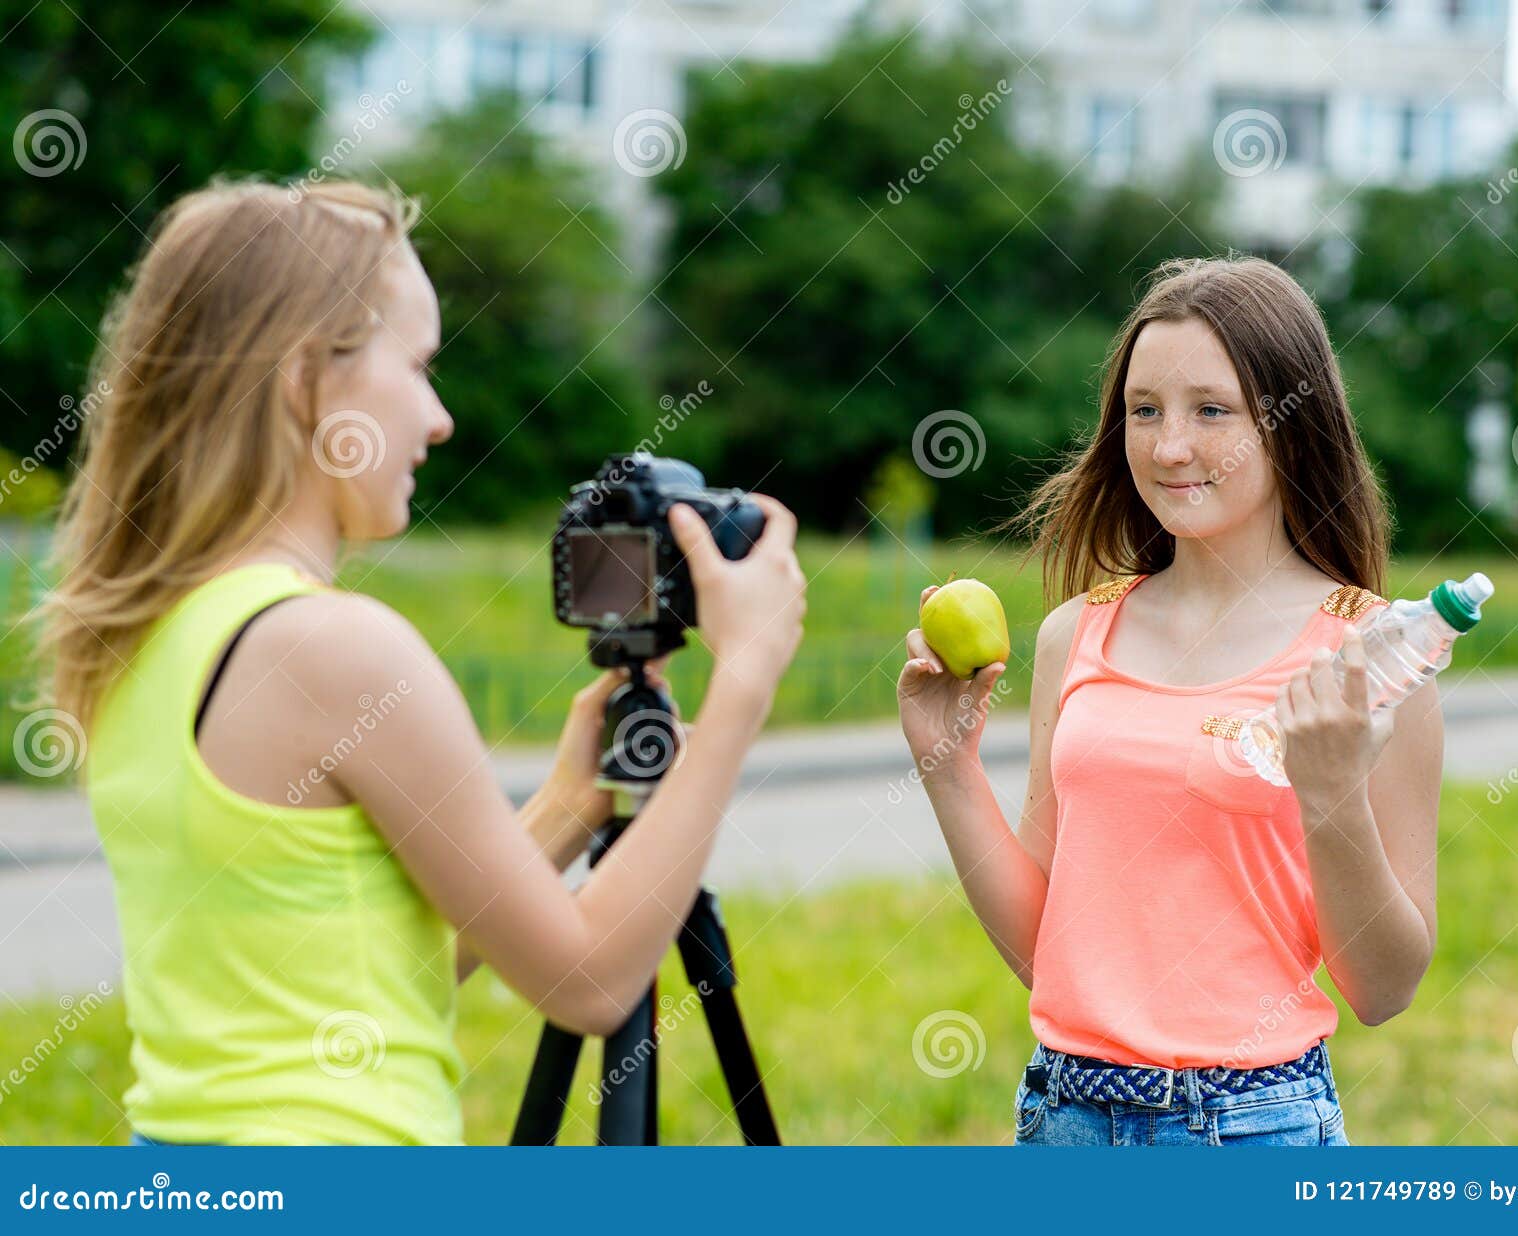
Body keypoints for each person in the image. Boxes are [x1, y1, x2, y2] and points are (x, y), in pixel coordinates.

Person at [37, 179, 806, 1146]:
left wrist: (572, 806)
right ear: (304, 376)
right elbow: (592, 979)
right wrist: (744, 682)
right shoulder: (335, 649)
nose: (439, 419)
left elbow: (371, 964)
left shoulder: (141, 634)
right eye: (418, 366)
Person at [897, 256, 1441, 1147]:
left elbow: (1385, 989)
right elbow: (1047, 953)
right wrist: (946, 766)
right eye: (1143, 410)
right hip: (1063, 1122)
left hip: (1257, 1130)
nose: (1167, 445)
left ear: (1292, 429)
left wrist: (1332, 791)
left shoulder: (1373, 658)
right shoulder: (1077, 634)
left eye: (1211, 411)